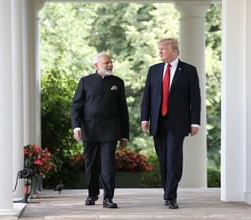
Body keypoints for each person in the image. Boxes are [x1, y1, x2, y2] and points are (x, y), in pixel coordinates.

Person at [141, 38, 201, 209]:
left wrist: (195, 122)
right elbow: (147, 97)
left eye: (163, 49)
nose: (160, 52)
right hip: (158, 122)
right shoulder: (154, 70)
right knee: (163, 160)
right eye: (159, 49)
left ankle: (170, 196)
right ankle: (167, 191)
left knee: (173, 158)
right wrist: (145, 119)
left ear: (174, 51)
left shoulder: (189, 70)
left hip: (178, 122)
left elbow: (195, 99)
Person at [71, 52, 129, 208]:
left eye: (111, 62)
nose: (110, 64)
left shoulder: (118, 82)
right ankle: (92, 194)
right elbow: (76, 106)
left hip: (110, 131)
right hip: (89, 130)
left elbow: (123, 110)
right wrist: (76, 127)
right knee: (91, 165)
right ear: (96, 66)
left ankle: (108, 198)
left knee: (108, 165)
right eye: (106, 62)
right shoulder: (85, 82)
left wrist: (124, 135)